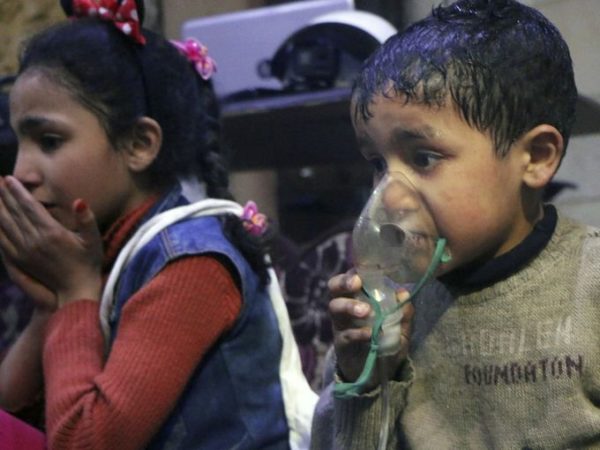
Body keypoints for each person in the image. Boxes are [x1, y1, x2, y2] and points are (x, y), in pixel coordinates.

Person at [0, 0, 317, 448]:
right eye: (19, 144)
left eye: (49, 141)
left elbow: (84, 441)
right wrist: (51, 306)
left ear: (139, 144)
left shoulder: (192, 263)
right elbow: (12, 422)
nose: (21, 172)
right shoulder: (100, 252)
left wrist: (74, 291)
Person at [310, 0, 600, 449]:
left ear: (537, 158)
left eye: (424, 158)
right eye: (376, 164)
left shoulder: (590, 286)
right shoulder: (386, 304)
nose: (388, 195)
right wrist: (361, 377)